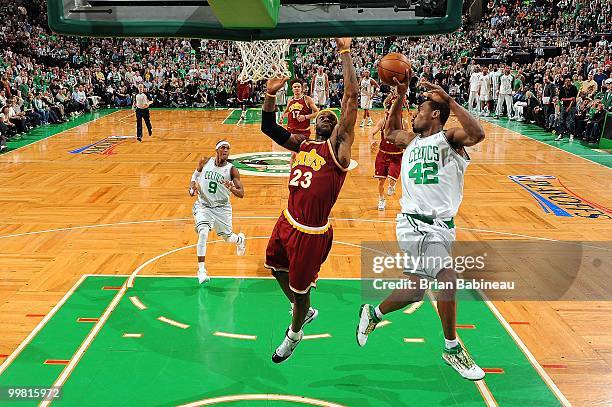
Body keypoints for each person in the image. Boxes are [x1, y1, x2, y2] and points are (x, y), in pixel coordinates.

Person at [355, 72, 487, 381]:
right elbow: (389, 132)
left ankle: (372, 314)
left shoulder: (450, 138)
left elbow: (478, 133)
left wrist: (451, 99)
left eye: (420, 111)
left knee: (415, 291)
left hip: (442, 226)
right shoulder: (410, 140)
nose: (415, 114)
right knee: (447, 276)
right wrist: (400, 93)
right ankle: (452, 349)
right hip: (415, 223)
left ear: (436, 115)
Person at [260, 37, 358, 363]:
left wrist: (344, 52)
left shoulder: (337, 152)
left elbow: (351, 99)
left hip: (311, 232)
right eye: (324, 116)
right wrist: (271, 94)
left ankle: (294, 333)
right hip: (287, 219)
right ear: (315, 123)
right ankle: (303, 311)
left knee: (301, 291)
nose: (328, 117)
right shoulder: (301, 146)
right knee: (274, 267)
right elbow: (268, 127)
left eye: (332, 117)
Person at [188, 140, 246, 284]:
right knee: (203, 232)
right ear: (217, 150)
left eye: (228, 148)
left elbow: (241, 193)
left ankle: (239, 240)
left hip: (222, 208)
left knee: (227, 238)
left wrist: (231, 188)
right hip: (204, 205)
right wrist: (191, 187)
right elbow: (194, 176)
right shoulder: (205, 161)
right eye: (223, 148)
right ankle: (201, 270)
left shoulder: (232, 170)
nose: (226, 150)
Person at [370, 89, 409, 211]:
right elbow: (372, 132)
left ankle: (392, 184)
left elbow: (407, 138)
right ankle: (381, 199)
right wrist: (371, 140)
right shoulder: (383, 121)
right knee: (381, 181)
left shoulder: (404, 122)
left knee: (392, 179)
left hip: (396, 155)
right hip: (383, 154)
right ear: (387, 110)